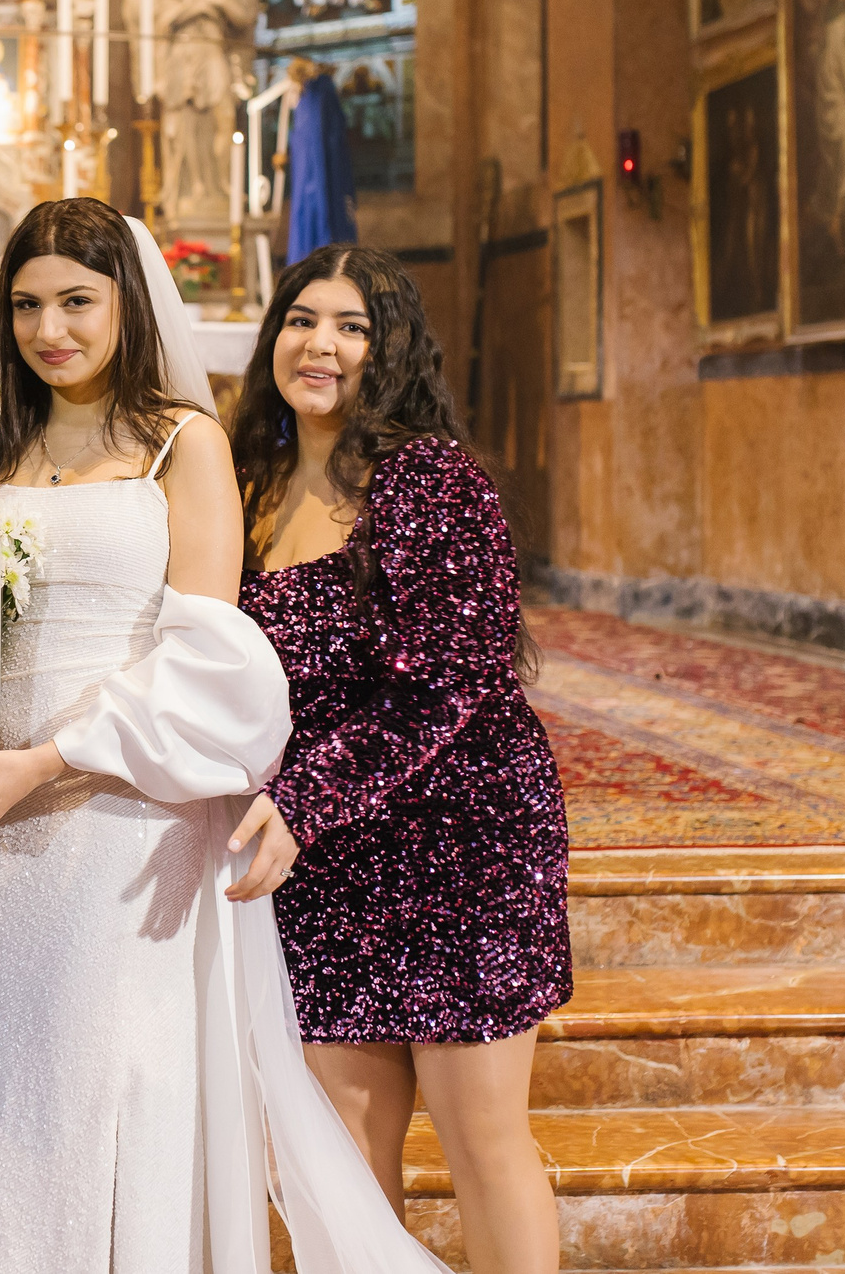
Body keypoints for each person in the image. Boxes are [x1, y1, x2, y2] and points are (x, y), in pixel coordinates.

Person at [0, 198, 444, 1274]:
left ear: (126, 303)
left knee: (117, 1079)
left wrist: (50, 761)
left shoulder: (182, 443)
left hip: (118, 808)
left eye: (76, 300)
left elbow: (214, 657)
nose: (48, 328)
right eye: (24, 305)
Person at [229, 244, 571, 1274]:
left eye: (350, 326)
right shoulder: (250, 485)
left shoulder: (431, 479)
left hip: (459, 845)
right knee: (337, 1155)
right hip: (325, 864)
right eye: (301, 320)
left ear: (391, 352)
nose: (319, 345)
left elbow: (448, 683)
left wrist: (300, 802)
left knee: (482, 1141)